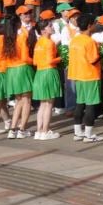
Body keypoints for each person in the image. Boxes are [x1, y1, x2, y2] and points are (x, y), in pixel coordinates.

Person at [65, 12, 103, 142]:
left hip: (77, 74)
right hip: (90, 75)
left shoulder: (75, 40)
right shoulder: (89, 41)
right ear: (89, 25)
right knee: (91, 105)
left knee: (80, 103)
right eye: (93, 23)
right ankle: (88, 134)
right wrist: (102, 53)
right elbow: (93, 60)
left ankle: (78, 132)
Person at [29, 11, 62, 140]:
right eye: (50, 26)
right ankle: (46, 130)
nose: (52, 27)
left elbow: (35, 61)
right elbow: (50, 60)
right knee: (48, 104)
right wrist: (60, 58)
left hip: (40, 73)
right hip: (49, 72)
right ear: (43, 30)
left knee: (43, 104)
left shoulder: (38, 43)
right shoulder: (49, 43)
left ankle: (39, 131)